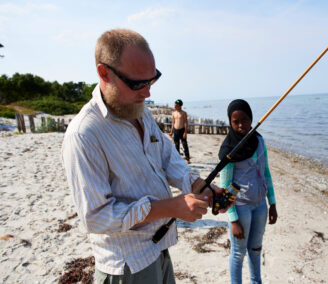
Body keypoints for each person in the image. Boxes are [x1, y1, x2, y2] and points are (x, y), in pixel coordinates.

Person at [62, 28, 221, 284]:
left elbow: (169, 159)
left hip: (158, 249)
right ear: (104, 73)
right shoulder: (84, 134)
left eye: (152, 80)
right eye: (137, 83)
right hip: (127, 266)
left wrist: (198, 185)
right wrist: (172, 207)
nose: (147, 93)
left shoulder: (139, 110)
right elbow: (96, 217)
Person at [219, 99, 278, 284]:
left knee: (256, 249)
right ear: (230, 122)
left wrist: (272, 203)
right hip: (241, 207)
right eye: (235, 122)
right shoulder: (229, 149)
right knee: (238, 253)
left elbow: (266, 172)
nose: (240, 125)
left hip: (260, 205)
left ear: (251, 119)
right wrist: (233, 219)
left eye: (244, 120)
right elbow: (225, 186)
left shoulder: (259, 141)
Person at [169, 99, 190, 163]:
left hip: (182, 130)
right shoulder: (173, 113)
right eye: (174, 105)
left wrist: (185, 133)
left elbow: (186, 123)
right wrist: (171, 131)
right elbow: (173, 123)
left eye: (176, 105)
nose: (174, 107)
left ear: (179, 106)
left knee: (184, 144)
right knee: (176, 144)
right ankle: (177, 158)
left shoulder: (183, 113)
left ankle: (187, 158)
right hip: (175, 130)